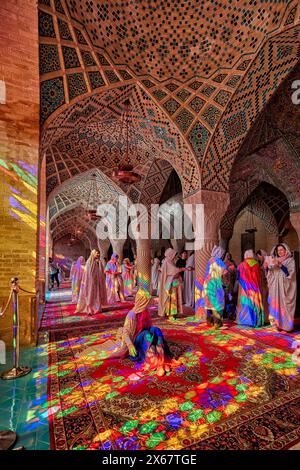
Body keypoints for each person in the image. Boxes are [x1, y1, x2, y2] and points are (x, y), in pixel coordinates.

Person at [77, 289, 178, 377]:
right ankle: (154, 362)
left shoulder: (144, 311)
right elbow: (125, 332)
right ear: (141, 301)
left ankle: (165, 359)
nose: (148, 303)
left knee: (156, 330)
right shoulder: (131, 315)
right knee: (146, 335)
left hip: (143, 336)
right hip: (135, 341)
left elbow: (148, 327)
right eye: (146, 301)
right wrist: (130, 345)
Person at [265, 243, 296, 332]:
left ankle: (287, 326)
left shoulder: (290, 260)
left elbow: (290, 274)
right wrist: (267, 268)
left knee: (284, 305)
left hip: (285, 287)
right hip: (275, 287)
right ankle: (277, 324)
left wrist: (280, 265)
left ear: (286, 250)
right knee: (275, 304)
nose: (280, 252)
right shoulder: (274, 260)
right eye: (278, 250)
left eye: (282, 250)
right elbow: (270, 274)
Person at [158, 248, 190, 320]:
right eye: (174, 255)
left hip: (173, 283)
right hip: (170, 283)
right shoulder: (167, 262)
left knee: (175, 298)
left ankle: (175, 312)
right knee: (172, 299)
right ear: (170, 254)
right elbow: (173, 270)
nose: (175, 256)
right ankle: (170, 313)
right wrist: (183, 269)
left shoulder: (171, 261)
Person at [236, 250, 264, 328]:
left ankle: (244, 320)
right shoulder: (256, 264)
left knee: (245, 303)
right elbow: (259, 277)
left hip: (244, 288)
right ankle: (256, 321)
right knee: (255, 303)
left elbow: (238, 277)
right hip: (254, 287)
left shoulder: (241, 265)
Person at [203, 246, 228, 329]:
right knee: (217, 304)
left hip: (207, 285)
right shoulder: (219, 261)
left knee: (209, 304)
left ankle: (209, 322)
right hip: (215, 285)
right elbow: (225, 272)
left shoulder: (209, 260)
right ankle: (217, 323)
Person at [76, 249, 107, 315]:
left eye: (99, 253)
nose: (98, 254)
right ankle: (90, 308)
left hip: (97, 281)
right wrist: (91, 281)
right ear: (93, 253)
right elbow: (88, 273)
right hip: (90, 282)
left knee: (97, 294)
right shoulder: (89, 262)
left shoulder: (99, 262)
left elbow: (101, 272)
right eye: (97, 253)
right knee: (90, 294)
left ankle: (97, 307)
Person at [256, 249, 269, 324]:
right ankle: (262, 318)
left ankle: (266, 318)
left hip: (266, 285)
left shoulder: (266, 263)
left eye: (259, 256)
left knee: (266, 301)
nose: (259, 258)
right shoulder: (260, 264)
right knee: (262, 301)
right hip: (261, 285)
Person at [223, 252, 237, 319]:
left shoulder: (233, 262)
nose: (228, 256)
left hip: (231, 282)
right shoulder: (223, 263)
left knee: (231, 297)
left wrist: (231, 269)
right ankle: (226, 313)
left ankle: (231, 313)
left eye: (229, 255)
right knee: (226, 298)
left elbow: (235, 271)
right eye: (227, 255)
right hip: (225, 283)